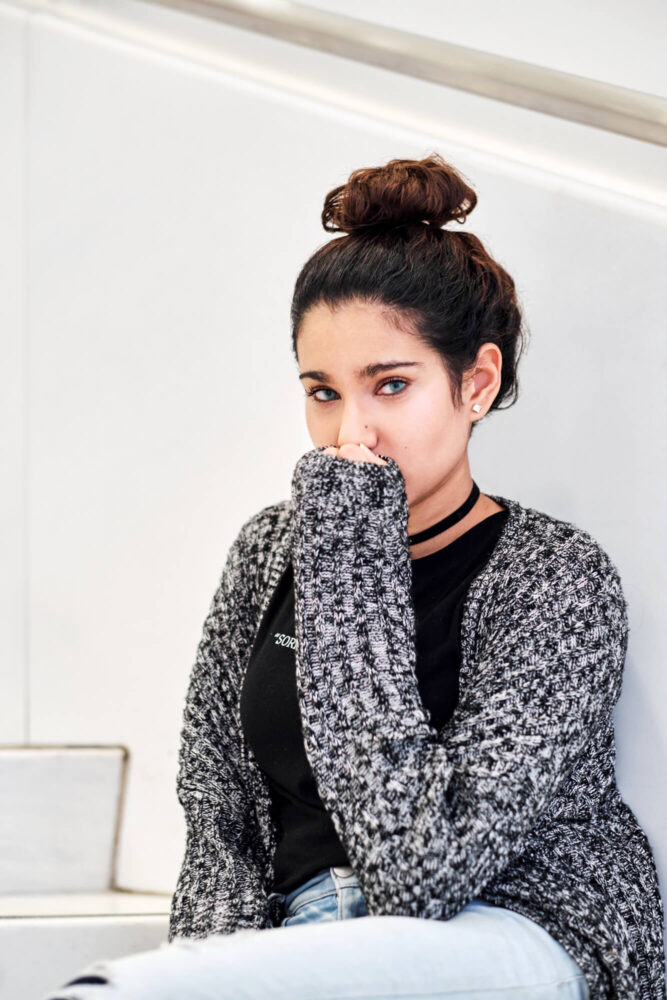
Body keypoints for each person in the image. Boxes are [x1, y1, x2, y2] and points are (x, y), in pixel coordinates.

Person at [42, 154, 665, 1000]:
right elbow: (219, 812)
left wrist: (350, 552)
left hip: (511, 929)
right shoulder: (272, 548)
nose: (351, 432)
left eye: (391, 385)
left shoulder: (556, 578)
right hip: (307, 934)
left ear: (474, 382)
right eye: (322, 392)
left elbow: (424, 870)